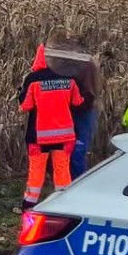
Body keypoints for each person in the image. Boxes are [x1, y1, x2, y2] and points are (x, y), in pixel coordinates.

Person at [18, 44, 86, 211]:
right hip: (65, 136)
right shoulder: (70, 78)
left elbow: (25, 106)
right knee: (62, 170)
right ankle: (63, 205)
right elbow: (78, 102)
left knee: (36, 171)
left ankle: (29, 205)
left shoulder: (33, 79)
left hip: (38, 136)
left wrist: (21, 93)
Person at [44, 42, 100, 175]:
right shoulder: (61, 64)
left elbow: (88, 95)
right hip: (67, 112)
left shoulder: (86, 65)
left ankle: (77, 183)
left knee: (77, 151)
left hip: (81, 112)